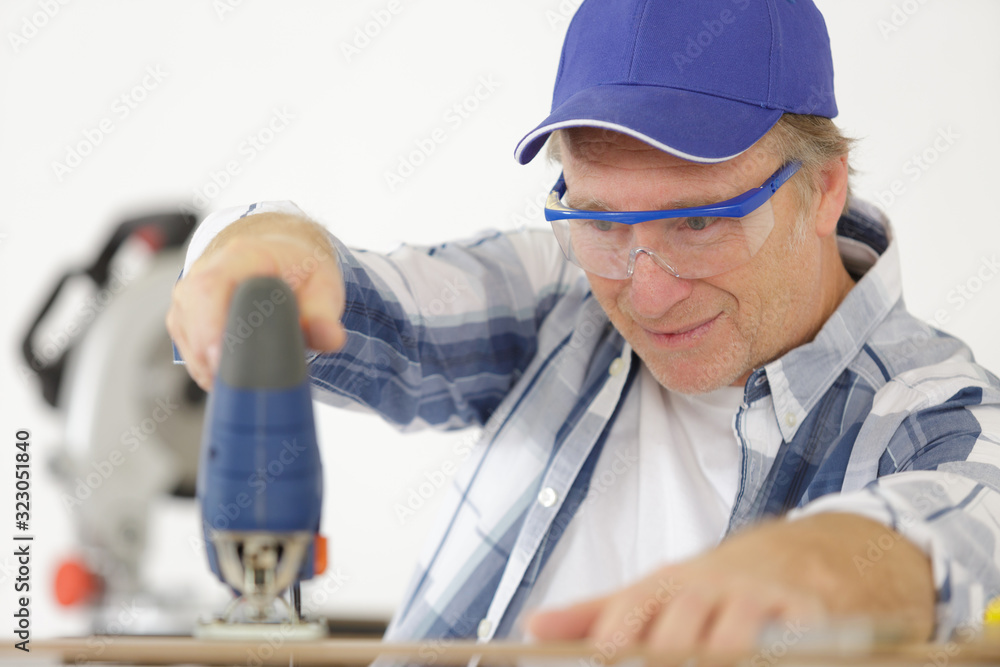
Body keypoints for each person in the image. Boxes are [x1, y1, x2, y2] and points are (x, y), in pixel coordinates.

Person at [168, 0, 1000, 658]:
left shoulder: (935, 412)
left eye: (700, 222)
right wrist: (256, 256)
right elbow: (352, 296)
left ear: (824, 191)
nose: (647, 290)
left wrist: (828, 563)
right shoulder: (556, 294)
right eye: (601, 222)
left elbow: (969, 518)